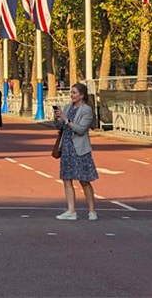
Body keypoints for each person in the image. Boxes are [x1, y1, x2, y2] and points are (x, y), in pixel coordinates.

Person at [53, 82, 99, 221]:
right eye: (71, 92)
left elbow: (80, 129)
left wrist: (66, 119)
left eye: (74, 93)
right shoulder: (67, 107)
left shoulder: (86, 110)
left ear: (82, 95)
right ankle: (71, 210)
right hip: (66, 147)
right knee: (67, 179)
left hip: (79, 149)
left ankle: (92, 210)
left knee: (84, 180)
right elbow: (60, 126)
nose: (71, 95)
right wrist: (57, 117)